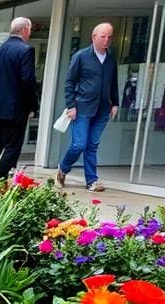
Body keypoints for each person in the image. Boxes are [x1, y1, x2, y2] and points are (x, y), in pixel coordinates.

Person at [56, 22, 119, 192]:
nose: (106, 40)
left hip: (103, 109)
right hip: (82, 107)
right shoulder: (81, 56)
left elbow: (113, 83)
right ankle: (63, 168)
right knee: (79, 144)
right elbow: (70, 82)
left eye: (109, 37)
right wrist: (71, 105)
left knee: (92, 145)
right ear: (93, 37)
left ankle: (92, 180)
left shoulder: (111, 59)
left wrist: (116, 103)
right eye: (103, 37)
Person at [0, 17, 38, 179]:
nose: (29, 33)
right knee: (11, 148)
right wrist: (32, 106)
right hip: (15, 111)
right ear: (25, 30)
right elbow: (28, 81)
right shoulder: (25, 50)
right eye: (30, 30)